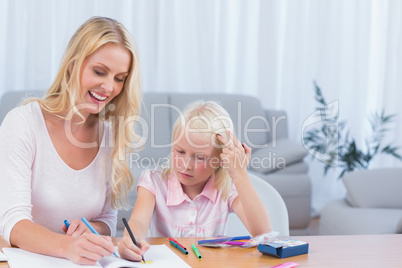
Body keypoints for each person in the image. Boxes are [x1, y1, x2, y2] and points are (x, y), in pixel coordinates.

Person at [0, 16, 142, 265]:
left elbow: (108, 218)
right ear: (72, 65)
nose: (109, 87)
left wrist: (91, 230)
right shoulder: (23, 123)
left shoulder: (109, 135)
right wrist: (69, 246)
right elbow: (13, 221)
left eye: (120, 78)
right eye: (100, 72)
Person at [118, 100, 272, 261]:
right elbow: (138, 222)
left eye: (199, 157)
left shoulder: (226, 187)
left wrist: (241, 175)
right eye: (180, 151)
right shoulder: (154, 181)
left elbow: (263, 233)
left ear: (220, 159)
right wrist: (130, 241)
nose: (186, 165)